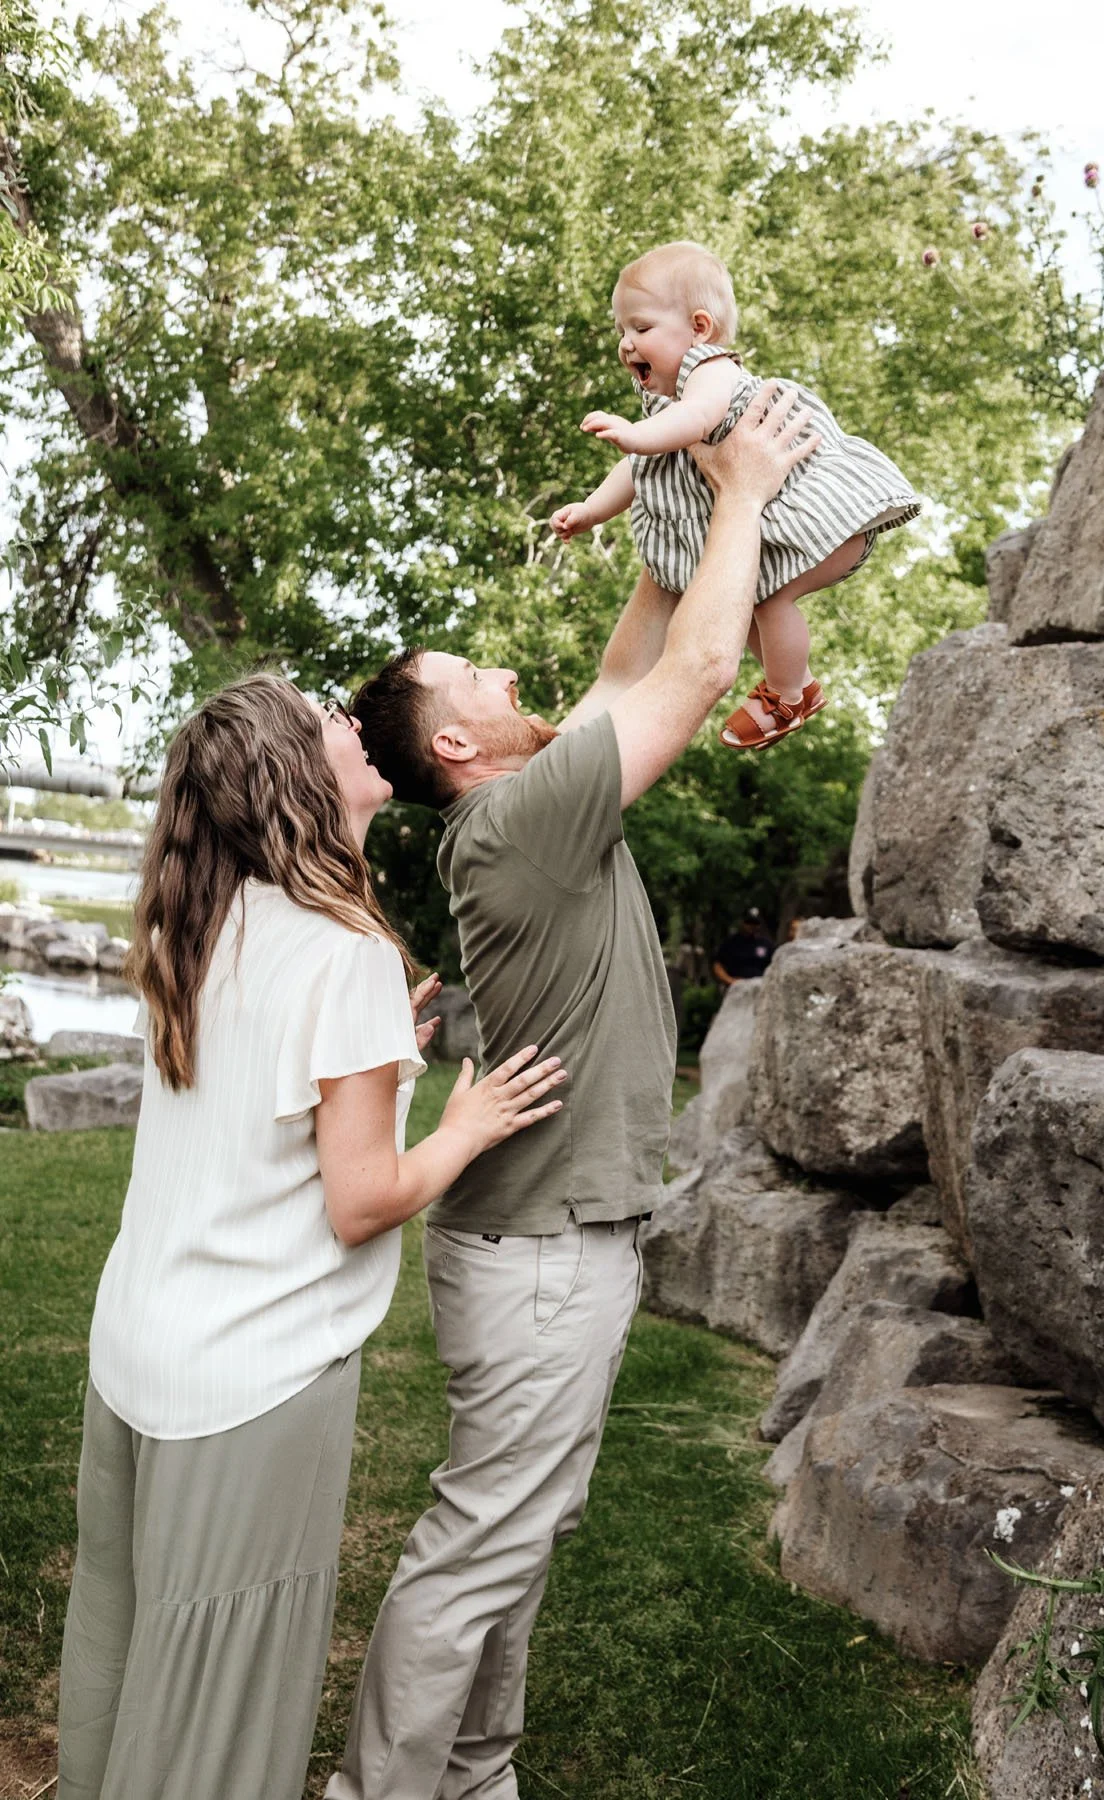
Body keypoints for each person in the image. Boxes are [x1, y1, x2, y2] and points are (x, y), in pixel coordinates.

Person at [326, 384, 819, 1800]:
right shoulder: (519, 819)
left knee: (517, 1536)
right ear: (459, 751)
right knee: (481, 1539)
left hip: (552, 1250)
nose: (502, 675)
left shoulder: (526, 796)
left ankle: (474, 1778)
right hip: (539, 1260)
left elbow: (635, 663)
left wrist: (662, 510)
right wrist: (743, 489)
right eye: (476, 678)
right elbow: (697, 668)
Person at [56, 674, 565, 1800]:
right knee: (216, 1688)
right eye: (326, 720)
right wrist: (467, 1127)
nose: (351, 723)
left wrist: (385, 1045)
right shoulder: (341, 954)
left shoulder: (196, 924)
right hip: (250, 1375)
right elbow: (362, 1199)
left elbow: (261, 1098)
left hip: (137, 1345)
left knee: (122, 1625)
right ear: (294, 775)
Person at [550, 239, 920, 749]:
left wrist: (632, 432)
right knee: (740, 602)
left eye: (641, 328)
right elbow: (640, 469)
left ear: (699, 329)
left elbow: (692, 423)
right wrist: (591, 510)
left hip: (818, 520)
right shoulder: (668, 407)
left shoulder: (709, 371)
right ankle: (792, 686)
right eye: (621, 332)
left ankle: (791, 691)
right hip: (779, 532)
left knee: (768, 601)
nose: (626, 344)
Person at [712, 906, 776, 987]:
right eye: (748, 923)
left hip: (760, 987)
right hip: (736, 987)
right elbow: (718, 966)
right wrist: (730, 981)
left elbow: (774, 966)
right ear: (742, 922)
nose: (752, 926)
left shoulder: (766, 944)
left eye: (755, 923)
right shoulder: (730, 943)